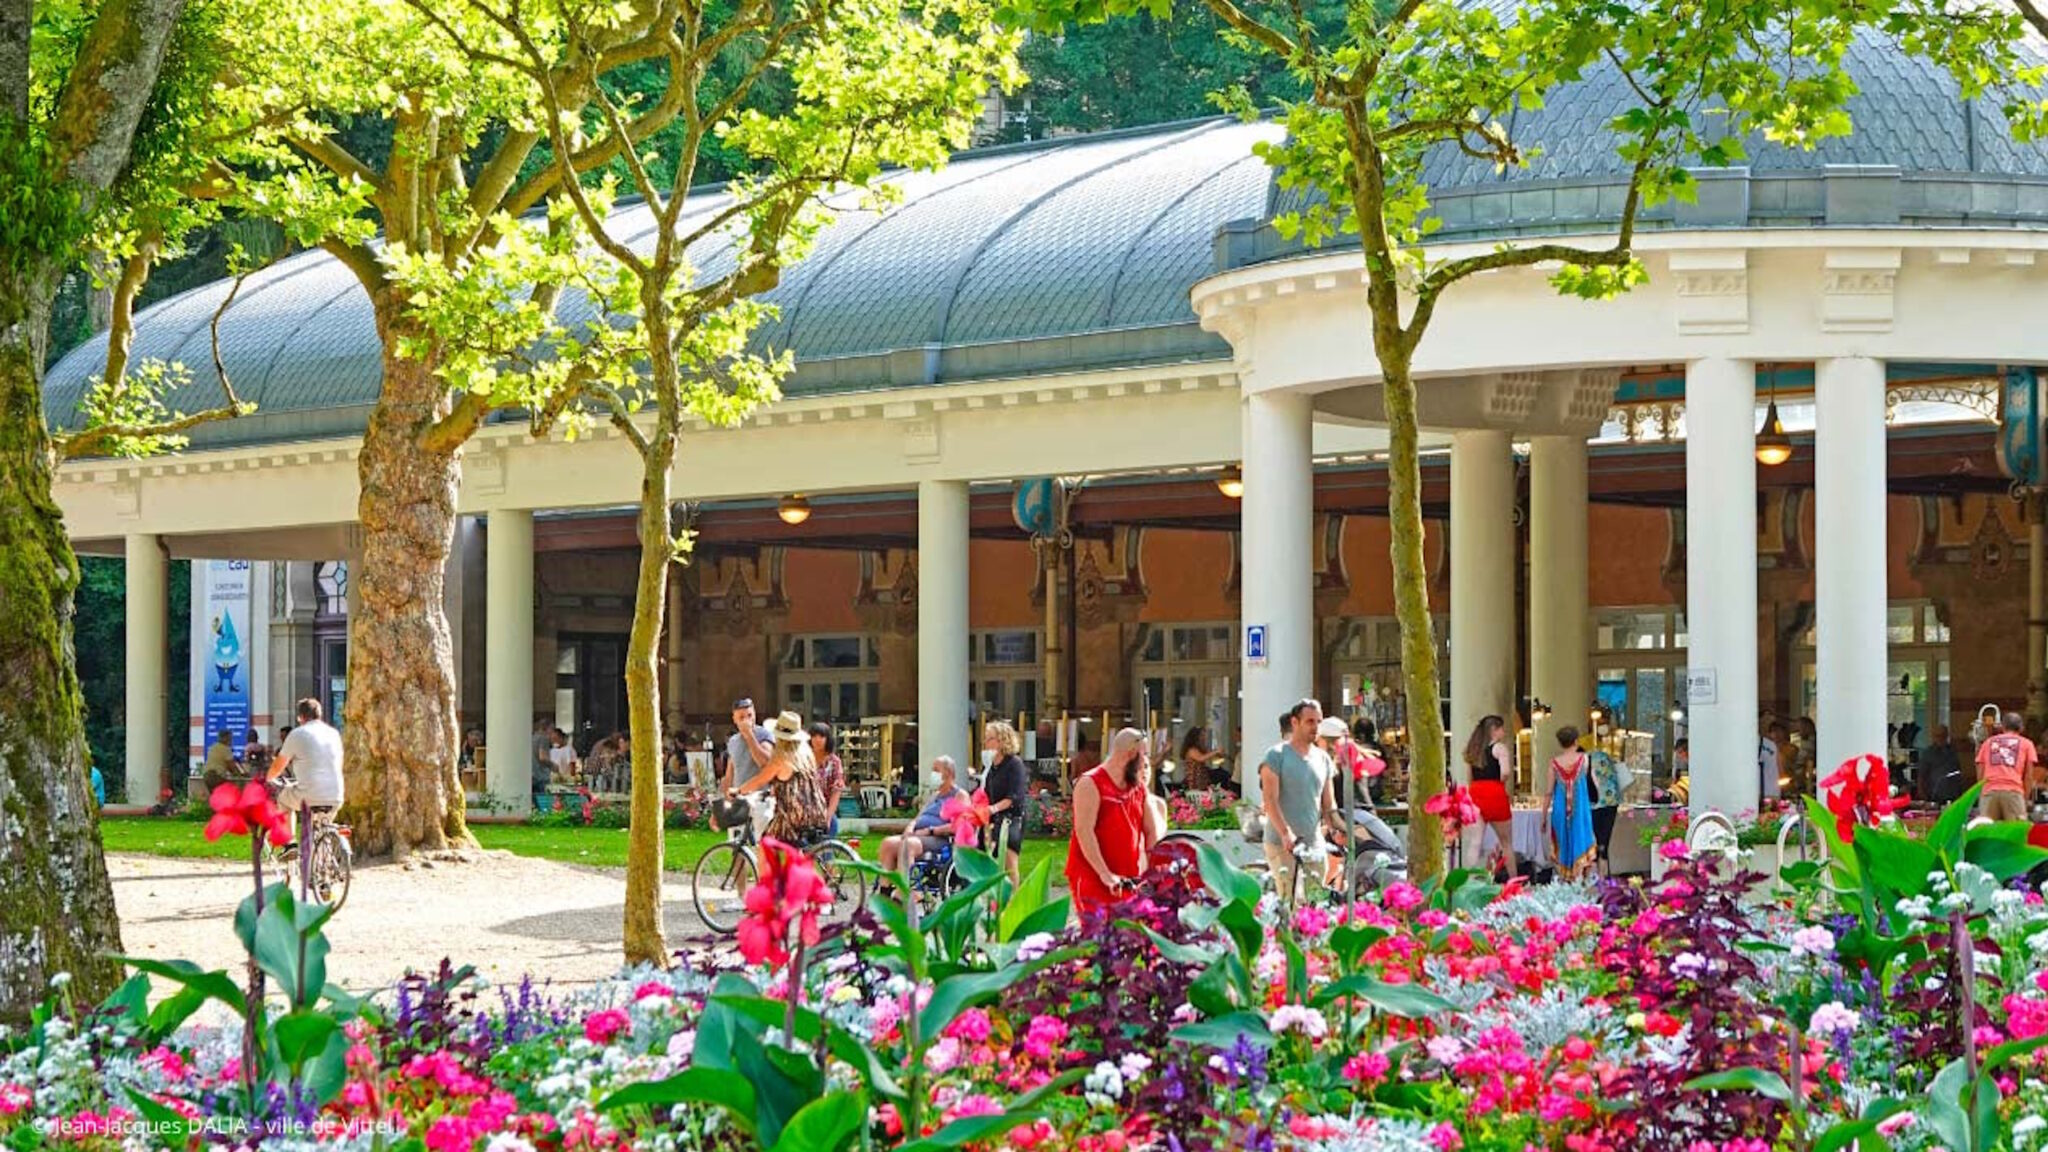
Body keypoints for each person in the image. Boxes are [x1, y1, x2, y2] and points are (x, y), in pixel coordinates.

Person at [1066, 728, 1161, 917]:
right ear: (1132, 754)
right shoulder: (1090, 783)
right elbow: (1084, 831)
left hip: (1127, 879)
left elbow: (1152, 831)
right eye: (1145, 755)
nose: (1146, 763)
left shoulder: (1137, 787)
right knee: (1097, 937)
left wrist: (1152, 870)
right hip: (1092, 876)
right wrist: (1104, 873)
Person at [1261, 700, 1338, 899]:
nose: (1316, 727)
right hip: (1281, 842)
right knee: (1289, 902)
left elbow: (1329, 804)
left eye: (1318, 722)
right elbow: (1270, 800)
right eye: (1310, 721)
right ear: (1295, 722)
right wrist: (1286, 834)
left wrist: (1336, 829)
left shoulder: (1323, 759)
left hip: (1314, 842)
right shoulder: (1276, 755)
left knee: (1316, 901)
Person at [732, 710, 829, 844]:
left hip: (792, 816)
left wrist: (738, 791)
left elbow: (760, 780)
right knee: (793, 849)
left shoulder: (781, 759)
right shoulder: (806, 754)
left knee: (766, 843)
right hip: (815, 812)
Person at [269, 697, 346, 845]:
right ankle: (324, 860)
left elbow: (278, 766)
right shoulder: (334, 733)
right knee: (319, 831)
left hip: (308, 795)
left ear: (301, 717)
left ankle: (289, 843)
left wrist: (269, 779)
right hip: (336, 795)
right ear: (320, 714)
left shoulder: (297, 734)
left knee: (283, 800)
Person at [879, 755, 962, 878]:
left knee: (907, 845)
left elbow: (959, 825)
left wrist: (931, 830)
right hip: (919, 836)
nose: (933, 774)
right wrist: (910, 828)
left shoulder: (958, 795)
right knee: (888, 844)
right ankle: (884, 889)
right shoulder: (935, 796)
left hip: (940, 839)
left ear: (948, 773)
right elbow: (918, 818)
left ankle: (907, 891)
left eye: (936, 770)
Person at [1463, 715, 1518, 880]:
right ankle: (1514, 880)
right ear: (1494, 730)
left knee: (1475, 842)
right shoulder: (1499, 748)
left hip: (1476, 792)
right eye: (1501, 728)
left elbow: (1469, 778)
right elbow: (1506, 771)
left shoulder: (1473, 750)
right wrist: (1501, 781)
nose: (1504, 731)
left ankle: (1468, 881)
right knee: (1506, 842)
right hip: (1494, 791)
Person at [982, 721, 1030, 885]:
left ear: (1002, 741)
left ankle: (1014, 899)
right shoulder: (991, 768)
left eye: (990, 739)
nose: (986, 743)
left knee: (1009, 862)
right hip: (994, 818)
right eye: (986, 739)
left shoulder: (1014, 764)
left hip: (1011, 818)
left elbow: (1014, 796)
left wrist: (993, 809)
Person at [1546, 726, 1597, 881]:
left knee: (1563, 842)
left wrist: (1543, 816)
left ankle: (1565, 878)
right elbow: (1594, 782)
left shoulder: (1554, 763)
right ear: (1576, 741)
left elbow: (1548, 791)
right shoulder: (1585, 759)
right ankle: (1581, 879)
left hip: (1560, 810)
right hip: (1580, 809)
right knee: (1582, 839)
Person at [1976, 711, 2038, 823]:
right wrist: (2025, 799)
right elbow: (2028, 776)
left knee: (1988, 835)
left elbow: (1980, 772)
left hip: (1989, 793)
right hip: (2013, 792)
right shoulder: (2027, 744)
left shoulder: (1988, 743)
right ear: (2021, 728)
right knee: (2014, 836)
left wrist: (1982, 794)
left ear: (2002, 727)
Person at [1588, 740, 1627, 871]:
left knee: (1595, 841)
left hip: (1596, 804)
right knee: (1604, 841)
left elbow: (1592, 784)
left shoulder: (1589, 761)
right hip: (1612, 802)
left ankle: (1596, 875)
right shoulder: (1607, 760)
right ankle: (1604, 875)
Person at [726, 698, 772, 793]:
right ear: (734, 719)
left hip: (759, 797)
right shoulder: (733, 740)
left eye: (750, 715)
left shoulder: (764, 734)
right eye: (741, 717)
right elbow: (730, 771)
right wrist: (727, 792)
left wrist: (749, 735)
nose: (747, 720)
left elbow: (765, 763)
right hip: (739, 796)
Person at [809, 722, 846, 835]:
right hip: (805, 812)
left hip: (825, 810)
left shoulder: (834, 762)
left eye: (821, 736)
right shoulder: (804, 758)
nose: (817, 740)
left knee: (826, 847)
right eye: (814, 736)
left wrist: (828, 816)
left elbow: (837, 790)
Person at [1922, 725, 1964, 804]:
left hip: (1952, 795)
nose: (1940, 738)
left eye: (1943, 735)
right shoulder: (1928, 753)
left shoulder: (1952, 751)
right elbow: (1922, 775)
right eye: (1938, 736)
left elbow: (1958, 772)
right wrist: (1924, 796)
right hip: (1934, 796)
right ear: (1934, 736)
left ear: (1947, 736)